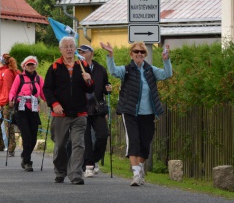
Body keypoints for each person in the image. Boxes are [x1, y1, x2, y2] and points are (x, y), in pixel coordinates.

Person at [100, 41, 172, 186]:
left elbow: (167, 74)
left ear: (145, 55)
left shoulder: (150, 70)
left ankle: (140, 168)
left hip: (148, 113)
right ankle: (136, 174)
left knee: (145, 144)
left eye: (142, 52)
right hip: (130, 112)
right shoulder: (126, 70)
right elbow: (113, 71)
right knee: (133, 141)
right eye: (136, 52)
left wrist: (166, 61)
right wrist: (110, 55)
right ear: (131, 54)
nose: (139, 54)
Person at [43, 37, 94, 185]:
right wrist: (54, 103)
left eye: (71, 46)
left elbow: (90, 89)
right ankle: (60, 171)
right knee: (60, 145)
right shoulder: (54, 67)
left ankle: (75, 174)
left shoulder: (83, 65)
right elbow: (47, 89)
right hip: (60, 114)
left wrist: (89, 80)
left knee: (78, 145)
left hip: (80, 113)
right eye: (66, 47)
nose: (69, 49)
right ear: (61, 50)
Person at [77, 45, 112, 178]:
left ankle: (94, 159)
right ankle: (88, 165)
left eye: (84, 52)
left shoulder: (100, 69)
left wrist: (108, 88)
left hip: (97, 108)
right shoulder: (76, 68)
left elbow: (105, 87)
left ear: (91, 53)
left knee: (103, 135)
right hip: (82, 108)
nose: (81, 54)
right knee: (86, 139)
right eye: (79, 52)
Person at [9, 56, 46, 172]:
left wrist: (52, 102)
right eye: (28, 65)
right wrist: (11, 99)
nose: (31, 66)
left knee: (33, 137)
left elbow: (44, 93)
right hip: (21, 109)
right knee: (26, 136)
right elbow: (13, 91)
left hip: (34, 109)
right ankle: (27, 161)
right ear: (24, 66)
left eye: (33, 64)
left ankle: (25, 156)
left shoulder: (39, 79)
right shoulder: (19, 78)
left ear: (35, 66)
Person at [0, 53, 19, 157]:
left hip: (5, 104)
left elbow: (7, 90)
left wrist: (0, 104)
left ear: (2, 62)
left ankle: (11, 149)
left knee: (8, 126)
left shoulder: (7, 73)